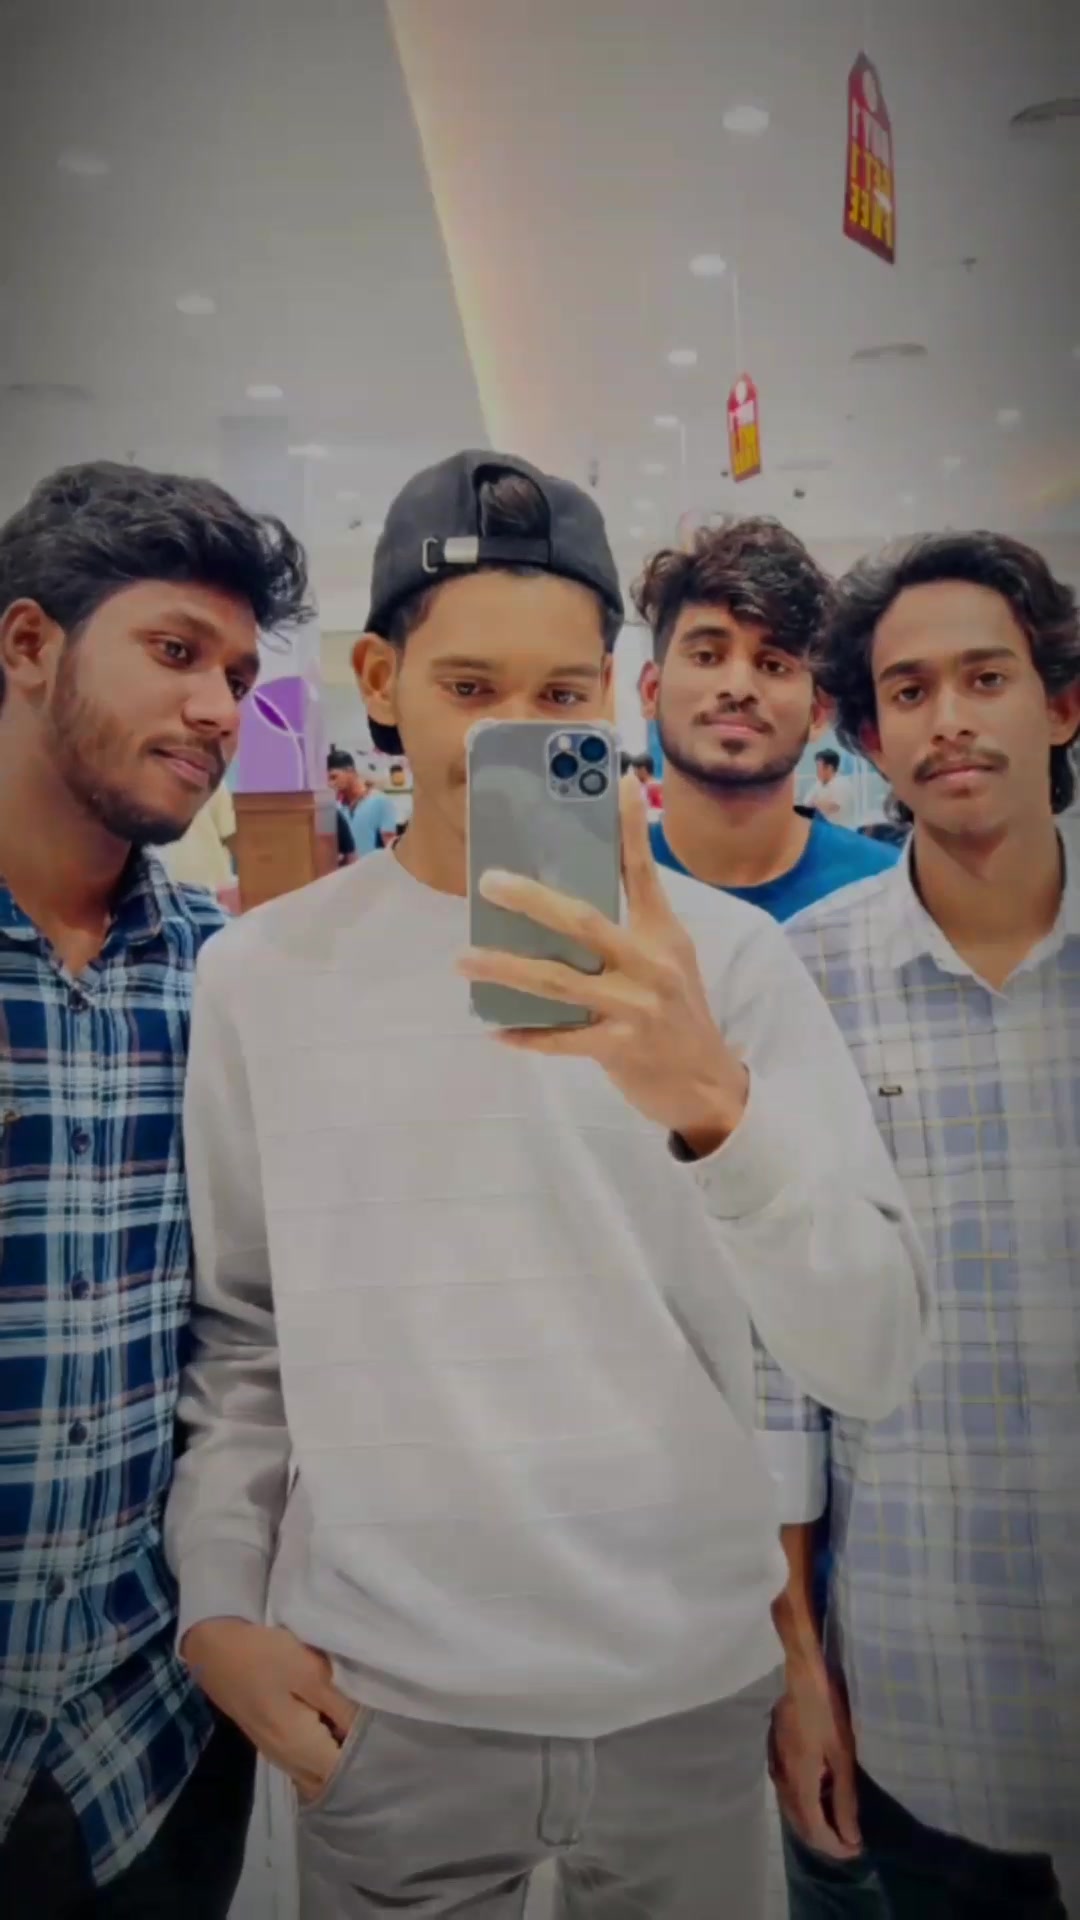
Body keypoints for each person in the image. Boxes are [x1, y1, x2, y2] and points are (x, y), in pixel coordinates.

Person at [166, 450, 926, 1920]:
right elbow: (247, 1336)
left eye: (562, 694)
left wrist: (713, 1108)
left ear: (612, 697)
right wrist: (219, 1601)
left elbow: (872, 1351)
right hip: (383, 1708)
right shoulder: (262, 975)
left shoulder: (728, 962)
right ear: (380, 681)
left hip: (688, 1699)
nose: (515, 732)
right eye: (469, 688)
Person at [0, 461, 311, 1916]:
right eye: (176, 651)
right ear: (29, 644)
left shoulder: (228, 979)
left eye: (237, 676)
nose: (217, 708)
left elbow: (250, 1331)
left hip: (150, 1749)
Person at [761, 530, 1080, 1918]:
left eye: (985, 677)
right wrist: (796, 1665)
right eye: (908, 691)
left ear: (1060, 704)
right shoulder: (804, 981)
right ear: (870, 737)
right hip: (921, 1681)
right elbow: (778, 1362)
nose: (948, 718)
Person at [634, 518, 899, 919]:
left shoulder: (888, 894)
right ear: (651, 691)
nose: (738, 688)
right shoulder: (596, 889)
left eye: (773, 665)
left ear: (817, 711)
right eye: (706, 656)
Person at [156, 778, 237, 894]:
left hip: (212, 889)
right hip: (166, 889)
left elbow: (232, 837)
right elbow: (231, 836)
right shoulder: (211, 777)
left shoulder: (212, 779)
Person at [327, 745, 397, 853]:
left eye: (334, 777)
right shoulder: (336, 808)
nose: (331, 783)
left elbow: (390, 844)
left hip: (374, 863)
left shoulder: (380, 801)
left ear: (350, 771)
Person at [804, 747, 856, 827]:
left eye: (818, 766)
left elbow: (833, 807)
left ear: (829, 768)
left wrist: (816, 804)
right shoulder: (819, 783)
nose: (817, 770)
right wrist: (818, 804)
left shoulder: (842, 783)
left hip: (840, 828)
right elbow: (807, 803)